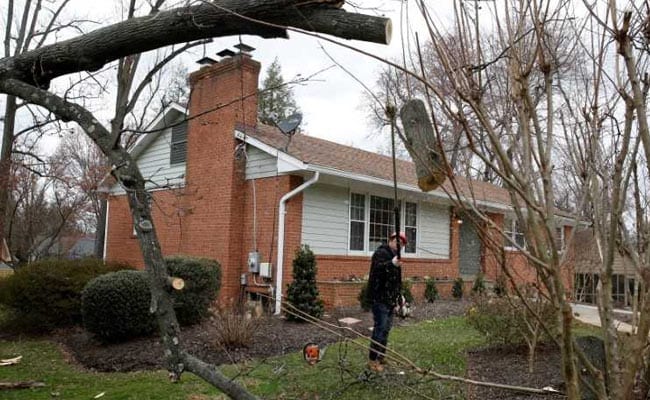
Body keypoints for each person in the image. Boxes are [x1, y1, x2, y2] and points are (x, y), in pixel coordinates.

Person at [366, 231, 406, 372]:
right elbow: (378, 270)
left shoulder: (396, 257)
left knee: (386, 329)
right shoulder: (381, 253)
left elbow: (396, 280)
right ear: (390, 240)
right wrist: (391, 263)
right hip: (379, 298)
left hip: (390, 299)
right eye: (397, 241)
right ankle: (372, 360)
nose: (398, 244)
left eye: (401, 243)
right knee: (380, 328)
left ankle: (381, 356)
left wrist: (399, 296)